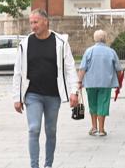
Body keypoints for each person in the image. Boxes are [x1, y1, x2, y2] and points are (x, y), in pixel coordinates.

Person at [12, 9, 79, 168]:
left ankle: (48, 164)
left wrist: (73, 91)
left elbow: (70, 68)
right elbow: (18, 71)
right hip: (32, 94)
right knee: (34, 129)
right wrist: (17, 97)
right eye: (31, 23)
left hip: (53, 95)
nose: (32, 26)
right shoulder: (25, 43)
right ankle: (34, 165)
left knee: (51, 131)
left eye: (35, 22)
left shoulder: (60, 43)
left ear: (45, 22)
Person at [77, 30, 123, 137]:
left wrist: (79, 81)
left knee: (93, 104)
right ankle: (101, 129)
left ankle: (94, 128)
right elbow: (119, 69)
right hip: (105, 83)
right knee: (103, 104)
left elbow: (82, 68)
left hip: (91, 83)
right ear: (105, 38)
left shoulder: (89, 51)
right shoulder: (111, 52)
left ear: (94, 39)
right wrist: (118, 80)